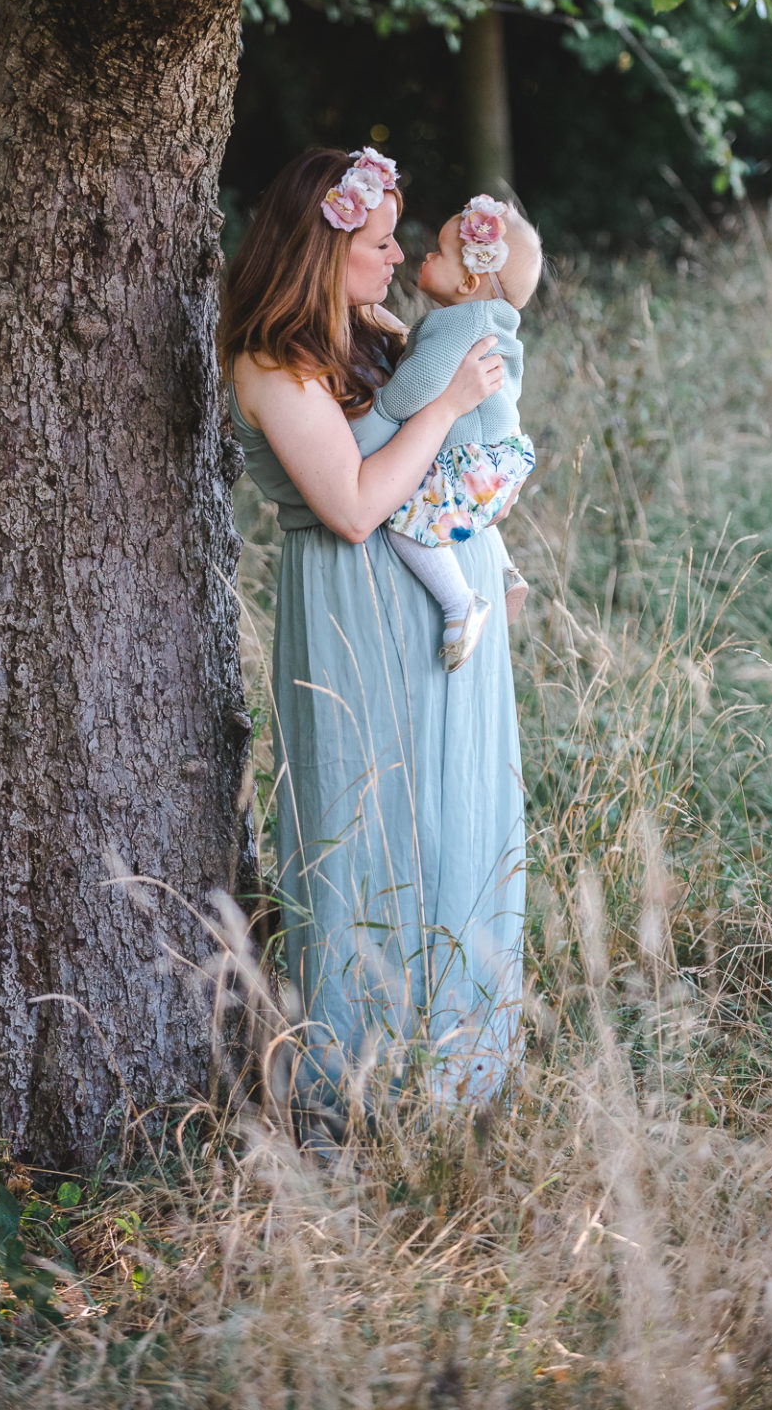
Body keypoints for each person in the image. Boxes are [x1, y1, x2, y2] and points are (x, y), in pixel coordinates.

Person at [219, 147, 527, 1129]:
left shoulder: (363, 330)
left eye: (401, 240)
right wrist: (444, 406)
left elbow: (442, 469)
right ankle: (359, 1088)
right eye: (380, 241)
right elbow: (354, 507)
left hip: (440, 616)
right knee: (367, 833)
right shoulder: (274, 361)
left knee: (450, 821)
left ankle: (450, 1073)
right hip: (356, 614)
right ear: (324, 246)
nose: (396, 258)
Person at [379, 195, 542, 671]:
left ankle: (460, 604)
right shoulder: (493, 322)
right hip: (502, 456)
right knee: (467, 506)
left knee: (405, 526)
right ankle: (504, 571)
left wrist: (386, 405)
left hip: (470, 459)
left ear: (469, 280)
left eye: (439, 253)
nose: (425, 256)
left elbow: (420, 386)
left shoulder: (458, 323)